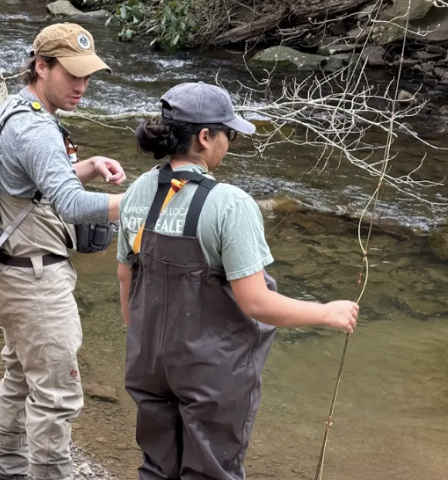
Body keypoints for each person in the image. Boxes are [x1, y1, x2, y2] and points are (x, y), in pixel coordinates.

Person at [116, 82, 359, 480]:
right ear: (205, 137)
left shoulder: (137, 192)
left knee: (158, 468)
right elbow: (256, 303)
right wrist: (326, 312)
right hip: (209, 373)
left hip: (147, 364)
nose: (230, 142)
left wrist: (144, 342)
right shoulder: (231, 204)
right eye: (228, 133)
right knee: (211, 472)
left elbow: (127, 280)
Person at [0, 23, 126, 480]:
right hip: (35, 280)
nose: (82, 86)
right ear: (41, 66)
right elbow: (69, 204)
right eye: (72, 75)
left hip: (13, 271)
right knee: (57, 395)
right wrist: (140, 204)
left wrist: (85, 166)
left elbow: (37, 183)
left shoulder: (16, 107)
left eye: (88, 76)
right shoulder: (37, 129)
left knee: (21, 377)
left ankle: (5, 470)